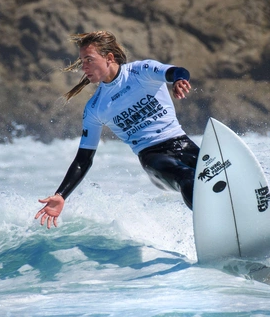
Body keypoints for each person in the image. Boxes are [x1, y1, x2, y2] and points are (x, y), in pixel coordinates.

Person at [35, 30, 199, 229]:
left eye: (89, 60)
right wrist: (61, 195)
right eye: (82, 61)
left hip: (181, 142)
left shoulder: (141, 71)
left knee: (216, 171)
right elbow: (83, 158)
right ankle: (213, 226)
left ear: (109, 58)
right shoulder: (95, 107)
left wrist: (179, 80)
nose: (83, 67)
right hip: (153, 156)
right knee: (188, 177)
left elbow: (176, 71)